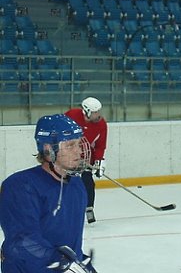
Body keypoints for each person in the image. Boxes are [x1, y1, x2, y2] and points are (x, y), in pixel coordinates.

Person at [0, 114, 97, 273]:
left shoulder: (77, 185)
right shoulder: (20, 186)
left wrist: (80, 261)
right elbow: (22, 241)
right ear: (48, 149)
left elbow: (69, 242)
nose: (78, 151)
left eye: (79, 144)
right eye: (70, 145)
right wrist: (62, 263)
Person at [65, 97, 108, 224]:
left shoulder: (101, 124)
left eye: (99, 111)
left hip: (87, 157)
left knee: (88, 182)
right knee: (66, 183)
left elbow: (100, 145)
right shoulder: (72, 115)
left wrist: (99, 162)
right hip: (68, 155)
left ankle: (89, 208)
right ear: (86, 111)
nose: (98, 114)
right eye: (95, 112)